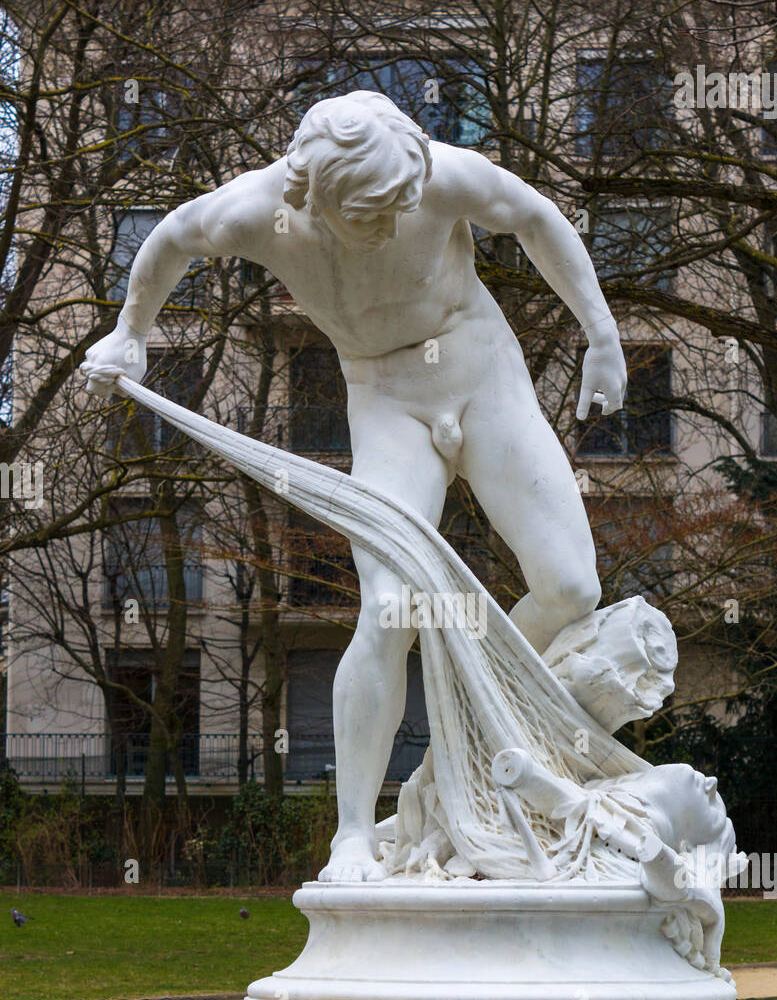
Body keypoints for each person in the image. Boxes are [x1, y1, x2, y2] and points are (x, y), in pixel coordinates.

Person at [83, 91, 627, 882]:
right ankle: (349, 838)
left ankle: (478, 717)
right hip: (384, 400)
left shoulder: (437, 175)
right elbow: (169, 238)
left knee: (573, 587)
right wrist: (131, 332)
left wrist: (603, 336)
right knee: (386, 611)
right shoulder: (254, 210)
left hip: (480, 370)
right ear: (310, 196)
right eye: (367, 214)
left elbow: (537, 215)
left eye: (398, 205)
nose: (389, 223)